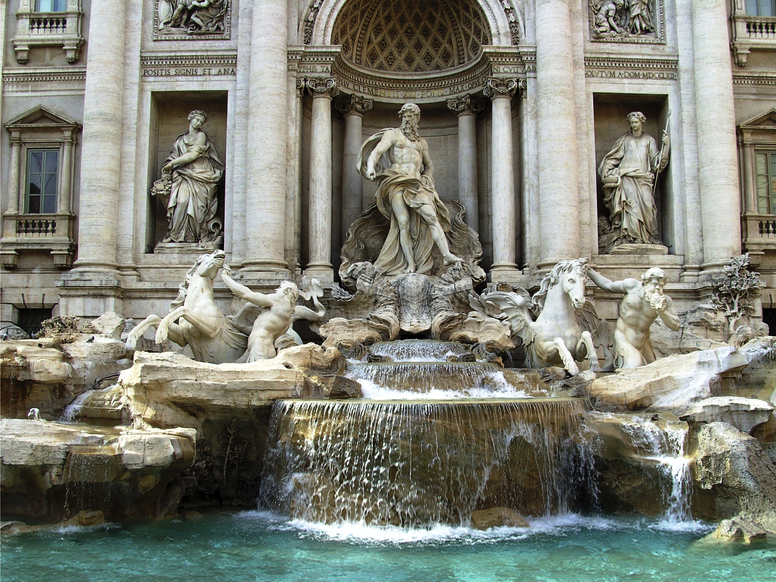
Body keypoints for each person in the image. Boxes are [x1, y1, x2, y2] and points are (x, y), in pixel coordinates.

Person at [357, 103, 461, 275]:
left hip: (416, 184)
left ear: (417, 119)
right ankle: (410, 265)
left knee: (431, 217)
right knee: (403, 223)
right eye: (405, 116)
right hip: (396, 182)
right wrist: (370, 168)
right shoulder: (393, 135)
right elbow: (376, 152)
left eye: (411, 116)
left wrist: (427, 178)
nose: (407, 119)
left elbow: (429, 165)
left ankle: (447, 254)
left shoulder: (421, 143)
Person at [220, 266, 324, 362]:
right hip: (264, 349)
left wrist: (226, 278)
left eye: (280, 288)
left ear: (287, 291)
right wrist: (239, 326)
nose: (277, 290)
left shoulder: (279, 300)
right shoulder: (287, 315)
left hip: (259, 349)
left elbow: (247, 294)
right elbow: (261, 330)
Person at [598, 111, 669, 246]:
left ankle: (647, 237)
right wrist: (606, 170)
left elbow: (656, 163)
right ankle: (630, 237)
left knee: (648, 207)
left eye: (636, 122)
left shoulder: (649, 140)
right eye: (631, 123)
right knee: (630, 207)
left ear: (642, 123)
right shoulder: (625, 140)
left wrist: (666, 146)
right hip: (627, 178)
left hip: (643, 179)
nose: (634, 125)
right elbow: (613, 158)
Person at [587, 267, 680, 369]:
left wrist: (661, 311)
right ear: (646, 281)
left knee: (651, 371)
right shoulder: (632, 286)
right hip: (624, 338)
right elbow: (608, 285)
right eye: (654, 284)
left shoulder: (665, 300)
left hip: (644, 343)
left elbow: (675, 325)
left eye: (660, 285)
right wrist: (589, 271)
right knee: (634, 367)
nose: (657, 288)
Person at [160, 110, 223, 244]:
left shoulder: (201, 136)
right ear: (190, 118)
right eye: (197, 120)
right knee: (182, 201)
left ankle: (192, 236)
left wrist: (172, 163)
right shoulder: (180, 140)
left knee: (197, 208)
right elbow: (174, 155)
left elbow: (193, 155)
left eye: (201, 121)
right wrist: (170, 165)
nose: (199, 123)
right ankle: (176, 234)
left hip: (201, 174)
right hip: (184, 174)